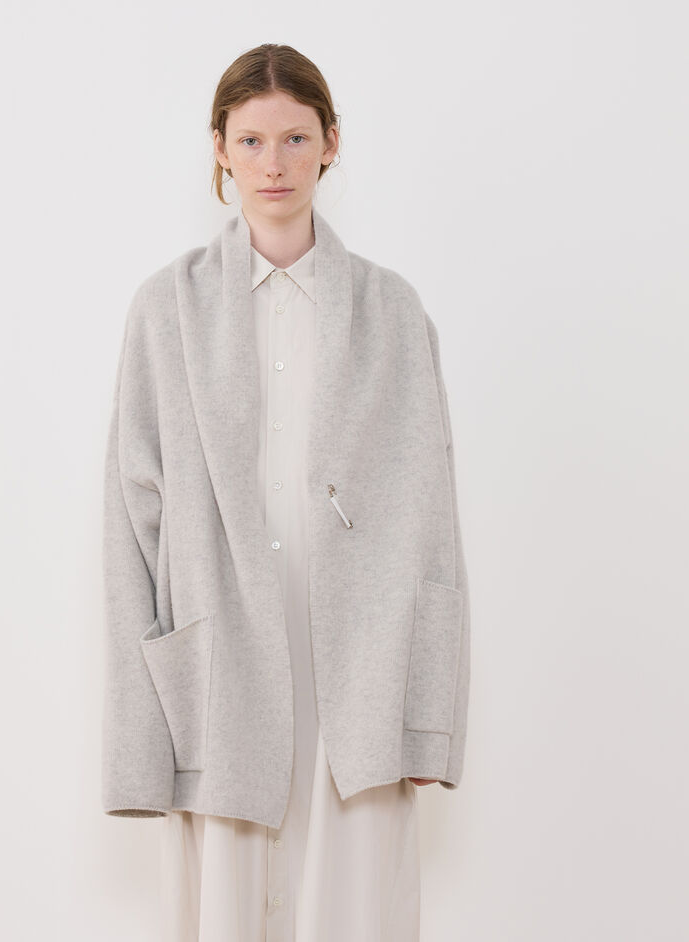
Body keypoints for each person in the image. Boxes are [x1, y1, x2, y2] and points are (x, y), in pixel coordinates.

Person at [102, 43, 470, 942]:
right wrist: (140, 742)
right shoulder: (166, 310)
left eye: (295, 138)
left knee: (353, 904)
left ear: (331, 144)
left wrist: (427, 718)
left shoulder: (393, 312)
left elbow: (433, 522)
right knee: (227, 908)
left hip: (359, 662)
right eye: (252, 140)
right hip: (221, 667)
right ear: (220, 149)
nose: (273, 163)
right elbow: (130, 524)